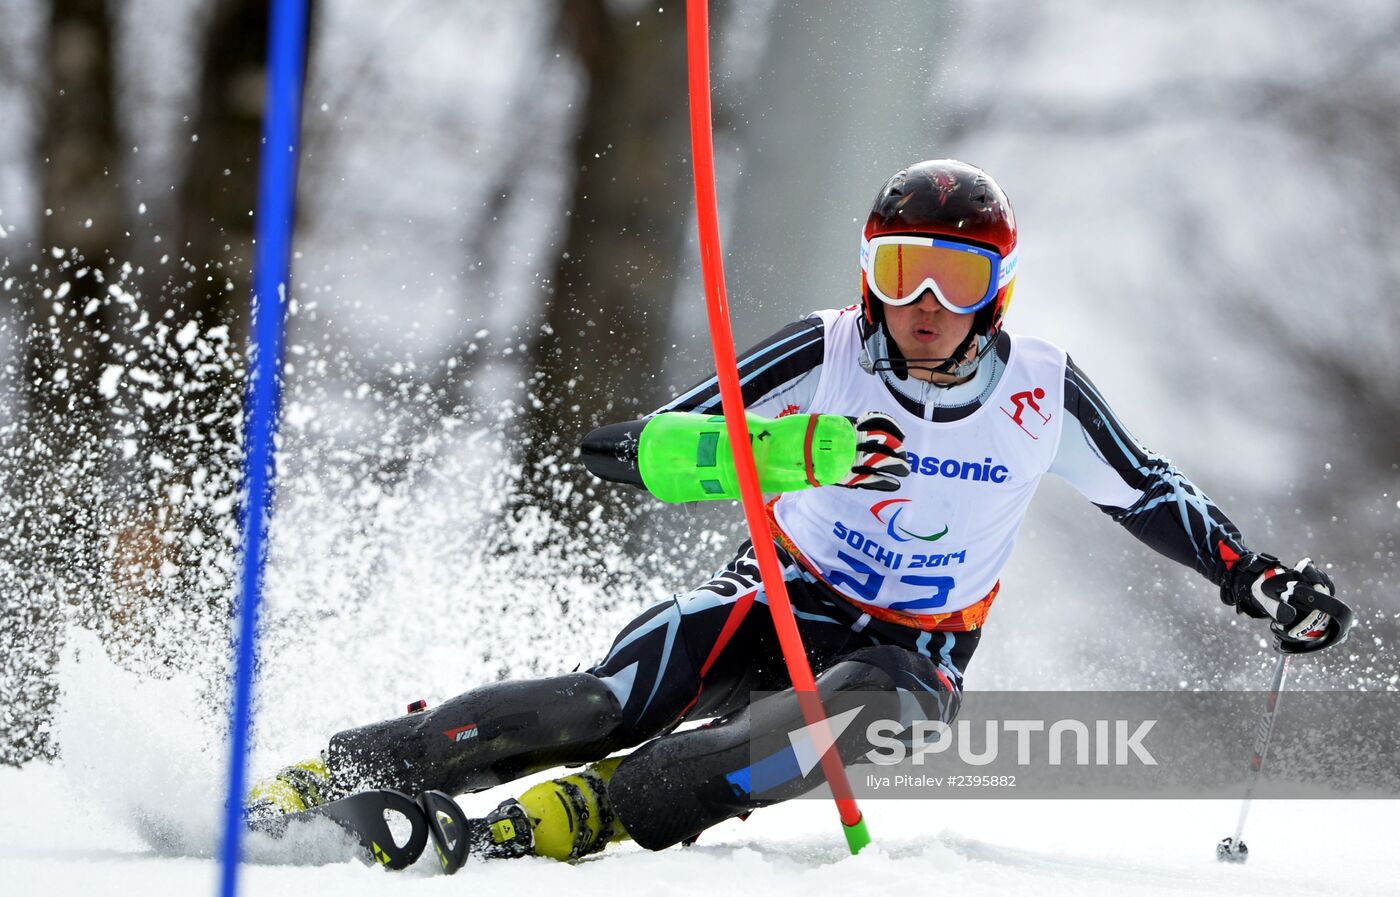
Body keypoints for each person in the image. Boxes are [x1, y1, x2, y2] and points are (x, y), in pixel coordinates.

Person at [246, 159, 1348, 860]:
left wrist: (1254, 581)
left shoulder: (1039, 391)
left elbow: (1148, 493)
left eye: (954, 280)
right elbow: (633, 452)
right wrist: (795, 448)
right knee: (608, 699)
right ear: (868, 271)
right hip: (775, 594)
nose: (922, 305)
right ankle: (345, 772)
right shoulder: (824, 350)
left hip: (912, 655)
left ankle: (559, 825)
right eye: (900, 270)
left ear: (996, 293)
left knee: (828, 717)